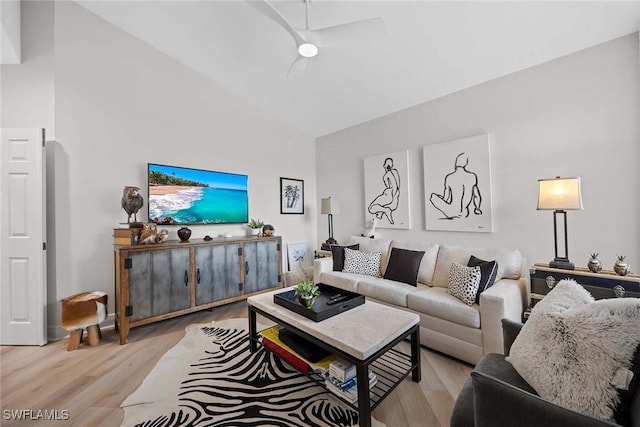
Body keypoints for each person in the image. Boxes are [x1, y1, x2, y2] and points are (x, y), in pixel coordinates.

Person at [430, 152, 482, 219]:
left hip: (451, 212)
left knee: (433, 196)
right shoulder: (472, 176)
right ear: (466, 164)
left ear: (456, 164)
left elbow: (446, 198)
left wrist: (440, 198)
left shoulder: (449, 177)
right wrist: (477, 208)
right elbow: (476, 196)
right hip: (464, 213)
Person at [368, 157, 400, 224]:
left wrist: (391, 197)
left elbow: (392, 186)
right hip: (395, 194)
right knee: (379, 206)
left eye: (384, 163)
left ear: (385, 165)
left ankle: (386, 211)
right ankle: (380, 214)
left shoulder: (387, 175)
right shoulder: (395, 171)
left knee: (371, 208)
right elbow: (397, 187)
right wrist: (394, 198)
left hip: (389, 194)